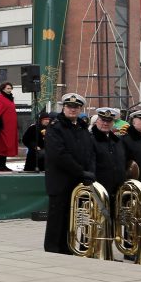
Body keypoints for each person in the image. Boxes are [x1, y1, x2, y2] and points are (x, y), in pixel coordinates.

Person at [44, 93, 95, 255]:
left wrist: (90, 171)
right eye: (70, 107)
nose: (73, 110)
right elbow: (59, 155)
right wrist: (81, 171)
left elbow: (90, 152)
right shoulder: (55, 127)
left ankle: (67, 247)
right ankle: (53, 249)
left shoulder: (81, 127)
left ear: (81, 109)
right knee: (57, 217)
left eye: (76, 107)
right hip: (60, 181)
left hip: (78, 181)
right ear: (63, 108)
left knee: (72, 217)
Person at [91, 107, 126, 210]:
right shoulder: (90, 140)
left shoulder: (117, 141)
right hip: (99, 191)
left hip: (117, 191)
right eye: (102, 120)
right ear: (97, 121)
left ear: (113, 123)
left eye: (109, 121)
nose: (105, 123)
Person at [0, 82, 18, 171]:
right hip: (2, 127)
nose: (10, 90)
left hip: (9, 127)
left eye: (10, 88)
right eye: (8, 88)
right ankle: (0, 165)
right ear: (3, 89)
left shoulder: (9, 98)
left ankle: (3, 165)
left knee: (6, 146)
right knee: (1, 145)